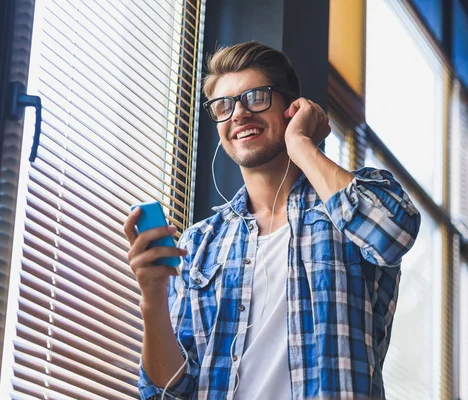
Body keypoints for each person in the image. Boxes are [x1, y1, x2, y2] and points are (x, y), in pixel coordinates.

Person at [123, 42, 421, 400]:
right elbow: (166, 395)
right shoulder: (199, 245)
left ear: (291, 108)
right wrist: (152, 301)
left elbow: (394, 233)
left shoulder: (352, 201)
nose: (238, 114)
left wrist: (301, 144)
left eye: (256, 97)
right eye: (224, 105)